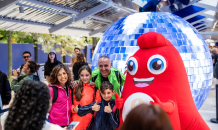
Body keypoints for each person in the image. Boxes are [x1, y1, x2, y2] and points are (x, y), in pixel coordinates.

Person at [71, 65, 101, 130]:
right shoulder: (74, 88)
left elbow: (98, 106)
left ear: (90, 75)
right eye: (82, 75)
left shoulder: (95, 90)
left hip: (88, 123)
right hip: (74, 123)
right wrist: (73, 109)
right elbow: (67, 104)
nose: (84, 78)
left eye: (87, 75)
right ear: (79, 75)